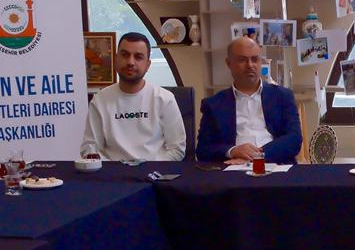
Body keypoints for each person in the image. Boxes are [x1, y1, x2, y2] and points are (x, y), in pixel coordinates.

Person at [80, 32, 186, 161]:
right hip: (112, 171)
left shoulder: (165, 99)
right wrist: (113, 169)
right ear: (116, 59)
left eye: (138, 57)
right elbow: (90, 147)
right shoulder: (100, 101)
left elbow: (176, 149)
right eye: (125, 55)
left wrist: (148, 168)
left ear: (148, 65)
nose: (130, 62)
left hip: (154, 171)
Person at [196, 37, 301, 164]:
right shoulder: (213, 104)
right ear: (229, 63)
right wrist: (232, 151)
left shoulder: (282, 96)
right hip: (234, 168)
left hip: (275, 164)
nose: (250, 65)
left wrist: (257, 156)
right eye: (242, 60)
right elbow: (203, 150)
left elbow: (294, 139)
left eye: (255, 59)